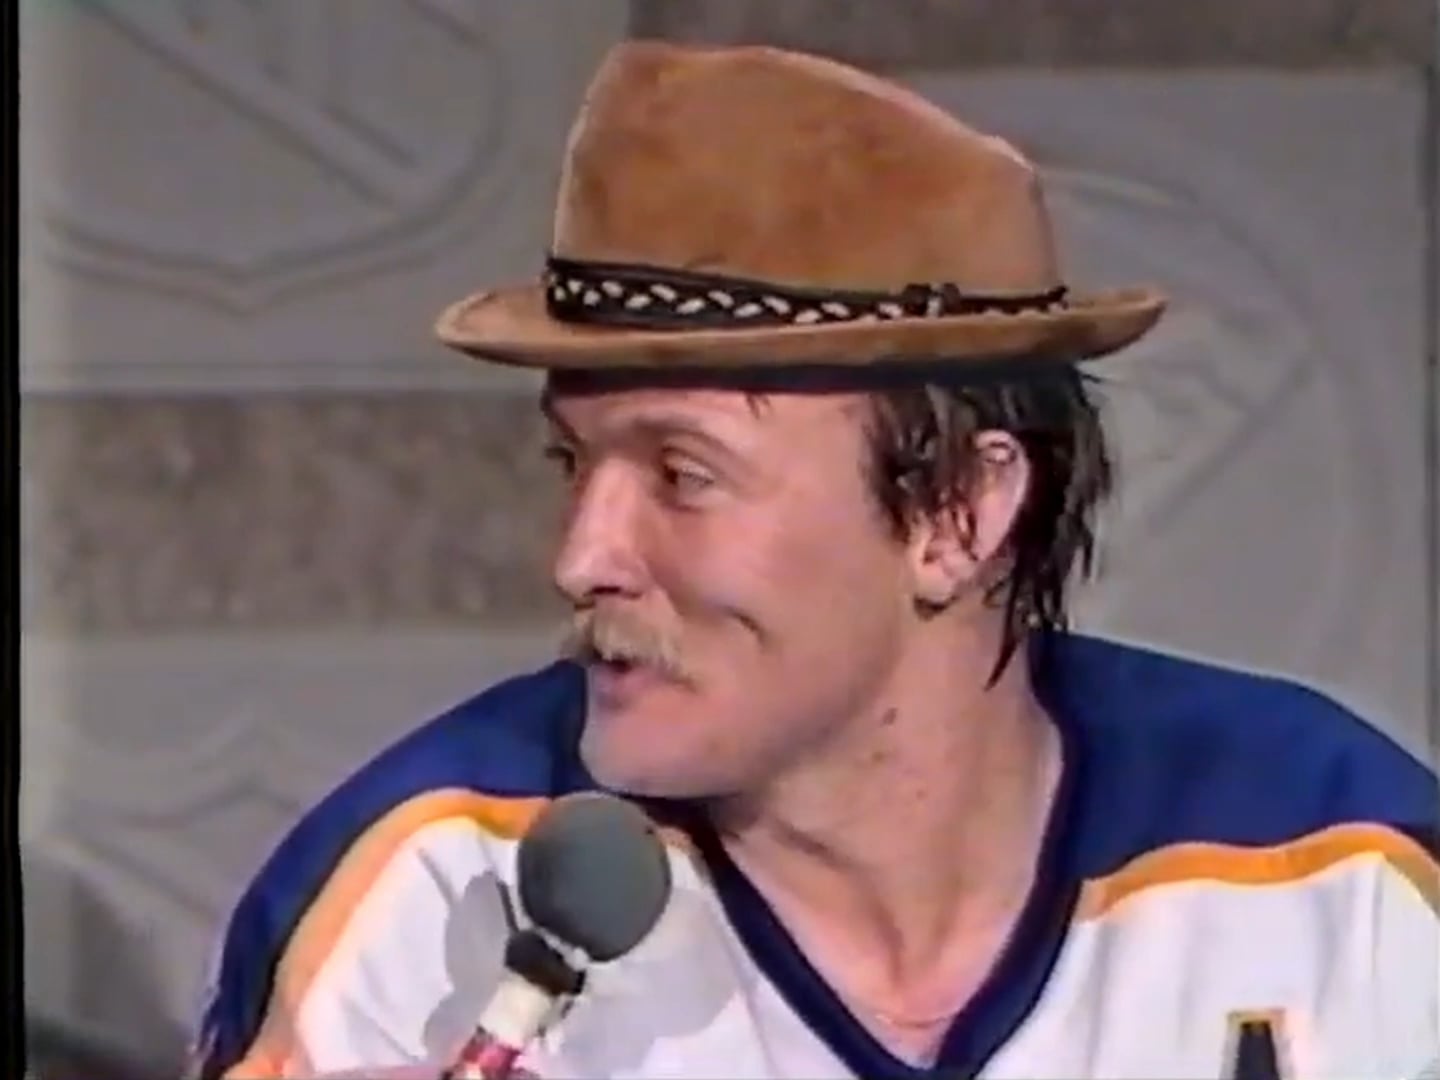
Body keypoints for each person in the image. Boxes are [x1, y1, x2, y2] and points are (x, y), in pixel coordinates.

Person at [190, 40, 1438, 1080]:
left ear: (959, 510)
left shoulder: (1337, 871)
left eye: (682, 474)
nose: (583, 558)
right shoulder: (425, 894)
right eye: (574, 465)